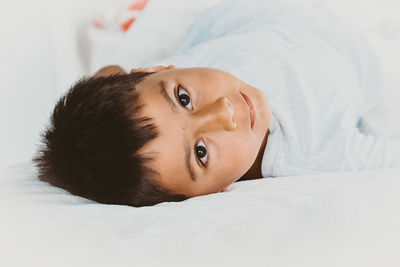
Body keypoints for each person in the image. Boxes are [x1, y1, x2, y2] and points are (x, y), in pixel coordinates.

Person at [33, 0, 396, 207]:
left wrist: (106, 76)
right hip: (351, 46)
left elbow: (112, 80)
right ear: (213, 193)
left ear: (161, 69)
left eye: (184, 99)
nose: (224, 111)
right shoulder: (319, 153)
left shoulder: (185, 65)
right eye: (202, 153)